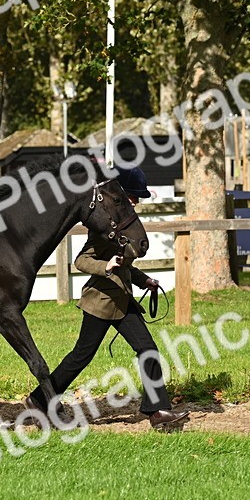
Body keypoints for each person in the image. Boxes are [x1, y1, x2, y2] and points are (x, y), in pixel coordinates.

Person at [27, 165, 190, 431]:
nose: (136, 202)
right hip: (100, 302)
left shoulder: (124, 222)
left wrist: (143, 280)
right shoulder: (103, 228)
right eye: (133, 197)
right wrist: (106, 266)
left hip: (122, 302)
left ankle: (158, 410)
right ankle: (38, 399)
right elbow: (81, 260)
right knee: (81, 355)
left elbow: (124, 264)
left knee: (147, 349)